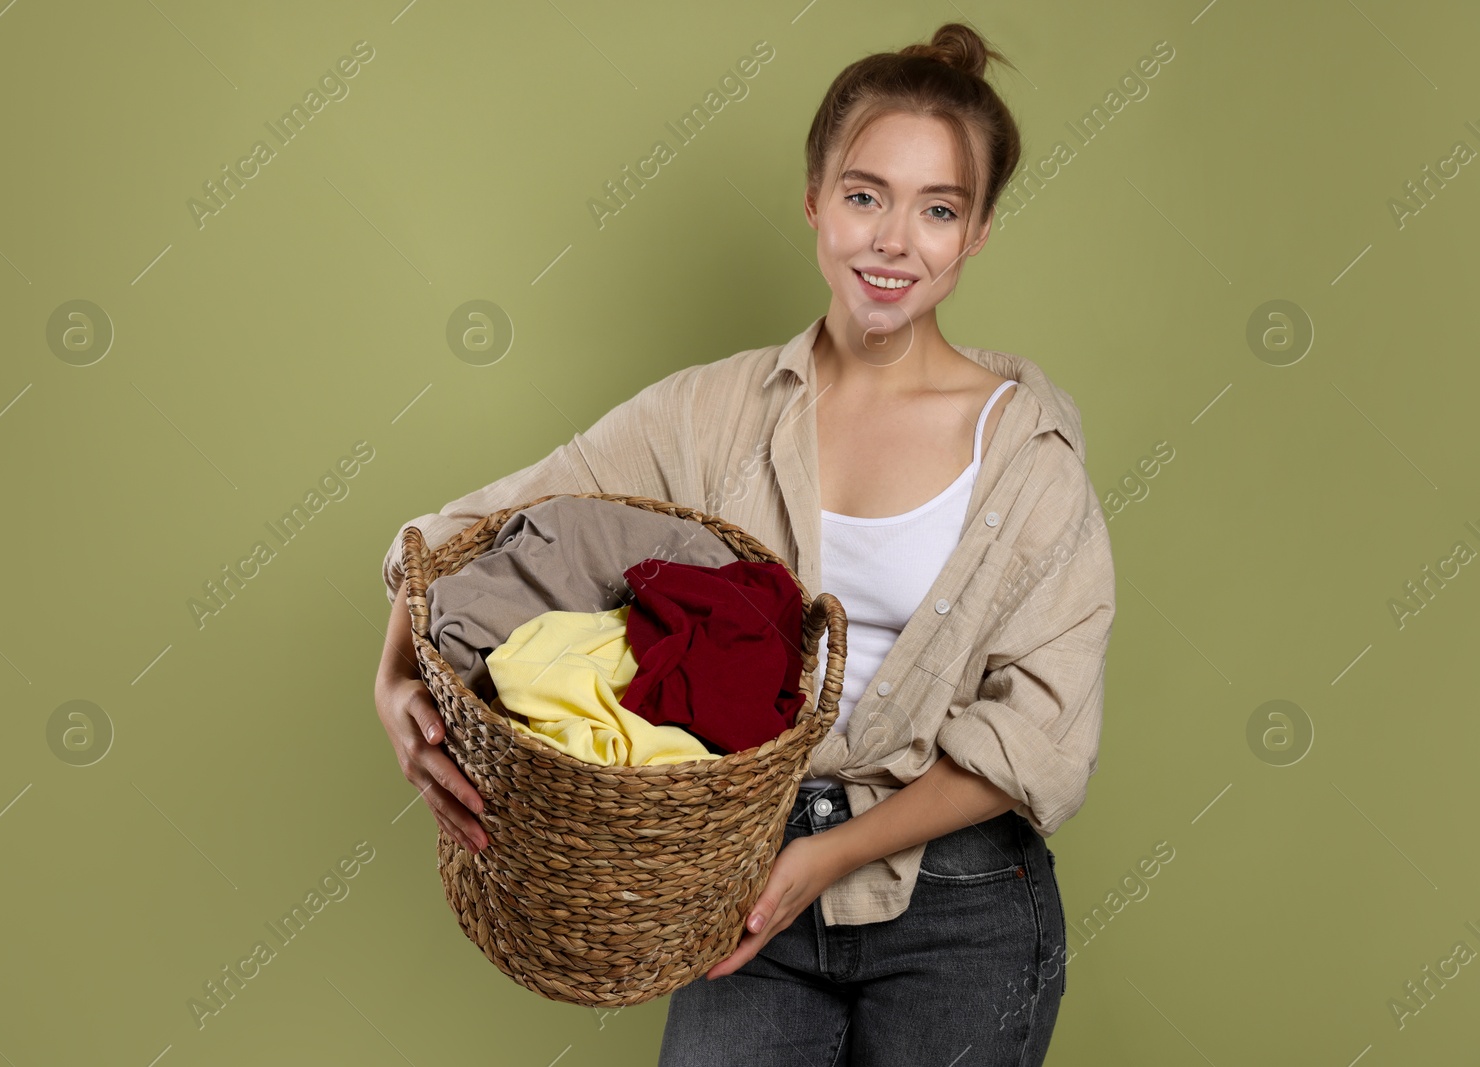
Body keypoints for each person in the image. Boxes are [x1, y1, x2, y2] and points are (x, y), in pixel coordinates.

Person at [373, 20, 1115, 1066]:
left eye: (936, 209)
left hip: (963, 901)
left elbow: (1040, 728)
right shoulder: (711, 413)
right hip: (742, 880)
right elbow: (473, 534)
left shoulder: (1027, 454)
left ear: (978, 230)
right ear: (814, 202)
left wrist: (831, 854)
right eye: (864, 196)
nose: (893, 241)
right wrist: (392, 675)